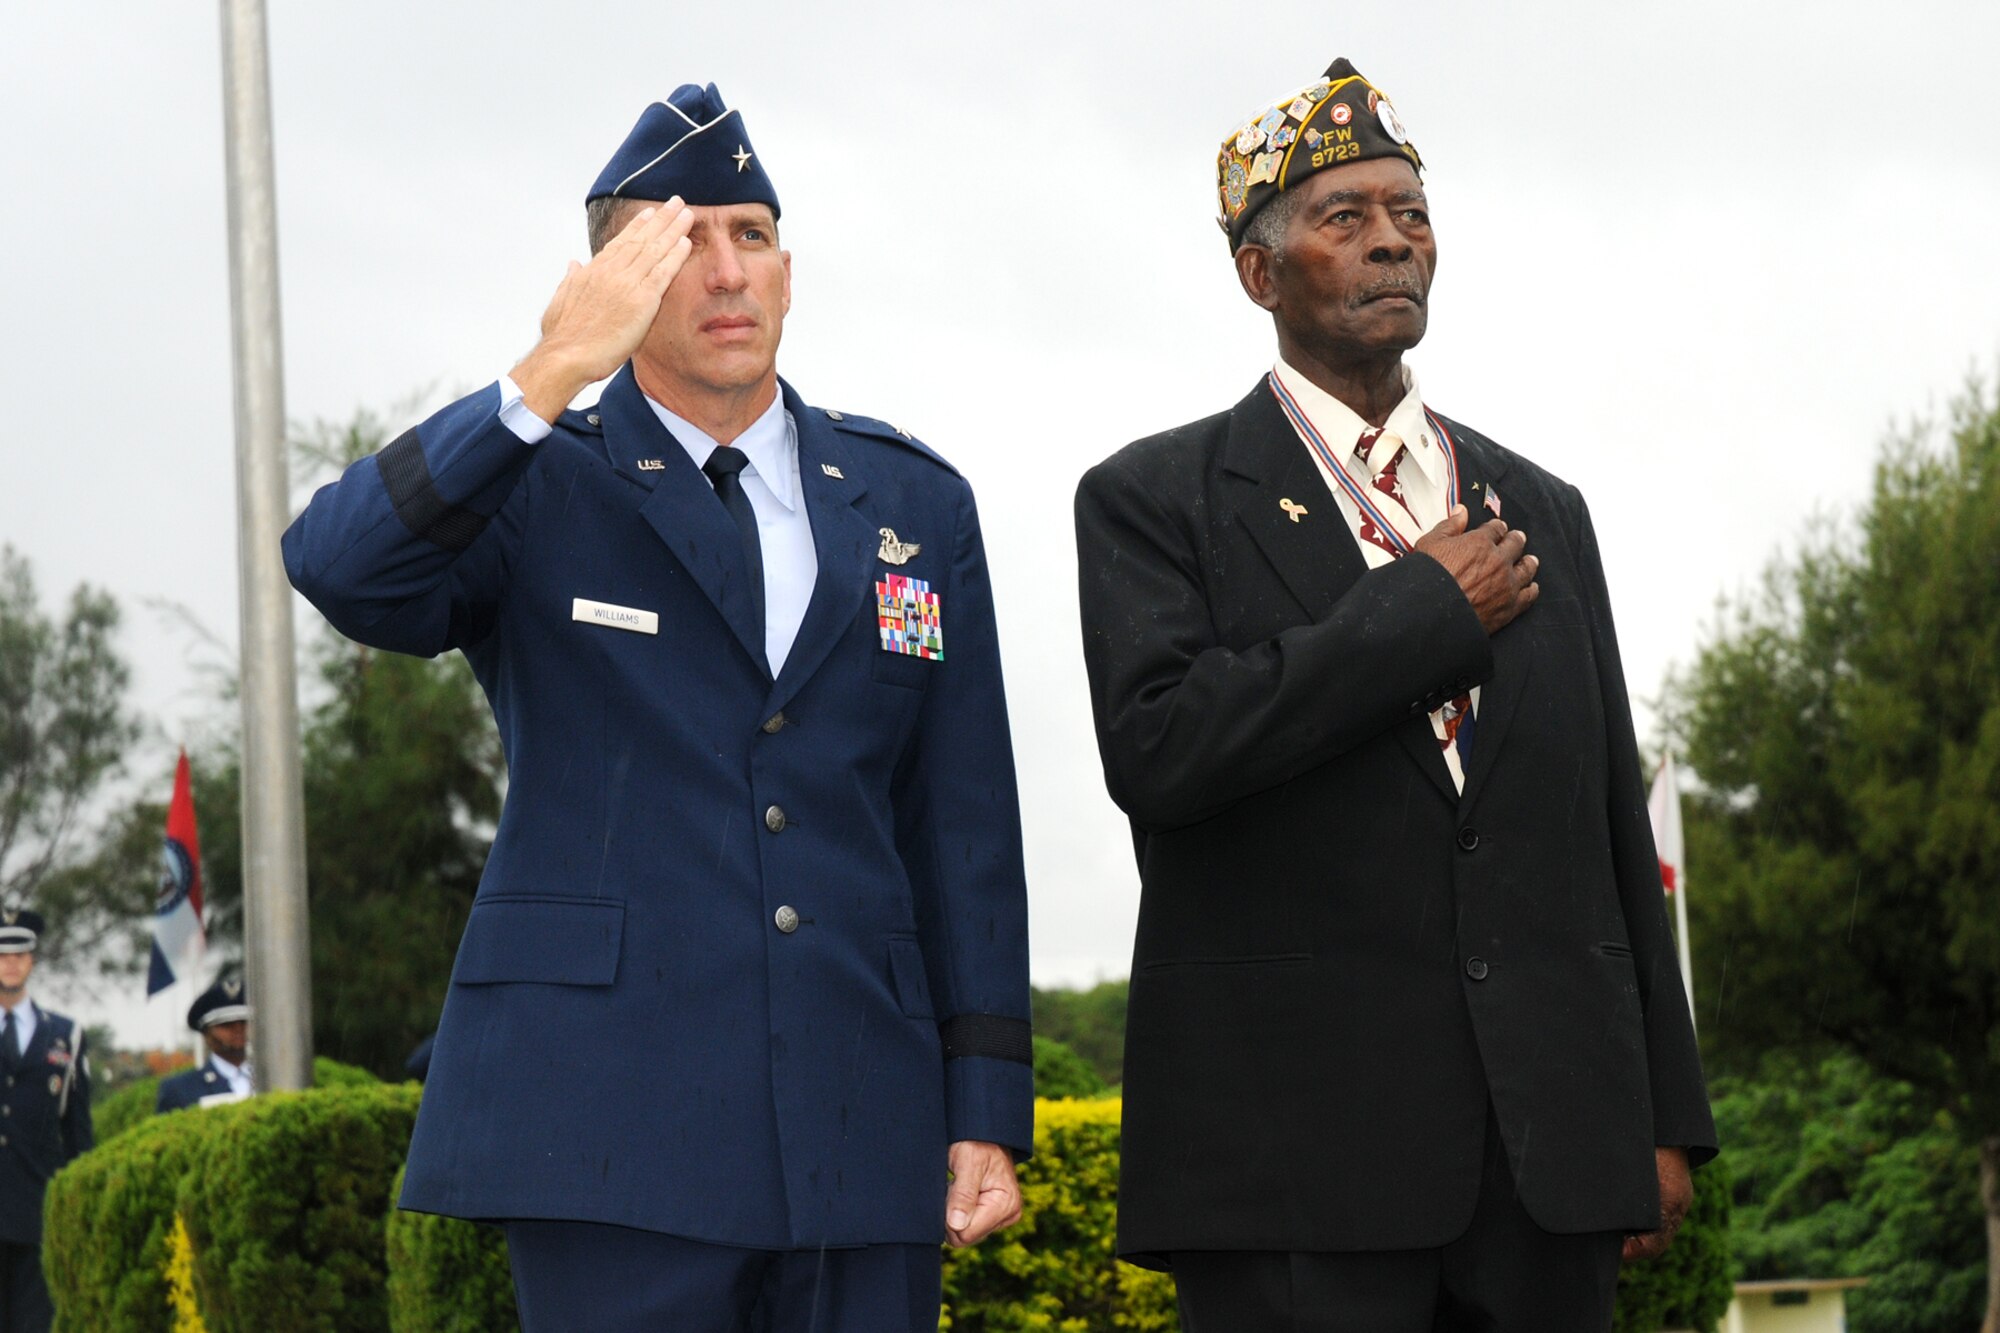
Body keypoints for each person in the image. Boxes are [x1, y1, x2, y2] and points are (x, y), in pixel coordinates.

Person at [283, 82, 1033, 1332]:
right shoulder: (538, 481)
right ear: (612, 283)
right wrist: (544, 373)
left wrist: (982, 1110)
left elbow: (961, 828)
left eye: (749, 234)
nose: (725, 271)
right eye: (679, 242)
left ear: (789, 269)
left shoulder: (912, 507)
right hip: (607, 1131)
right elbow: (342, 565)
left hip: (862, 1120)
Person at [1072, 58, 1717, 1330]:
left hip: (1544, 1165)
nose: (1390, 245)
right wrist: (1418, 614)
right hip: (1295, 1169)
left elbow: (1603, 815)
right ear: (1259, 274)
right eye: (1344, 218)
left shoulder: (1540, 506)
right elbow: (1159, 749)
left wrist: (1657, 1112)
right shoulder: (1154, 498)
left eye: (1410, 216)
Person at [0, 909, 92, 1333]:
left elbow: (77, 1133)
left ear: (33, 960)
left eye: (20, 953)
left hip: (38, 1214)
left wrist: (80, 1209)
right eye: (2, 953)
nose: (11, 962)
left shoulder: (66, 1036)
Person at [154, 977, 253, 1112]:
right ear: (206, 1034)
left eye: (244, 1022)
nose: (238, 1029)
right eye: (226, 1024)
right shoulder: (180, 1090)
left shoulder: (276, 1077)